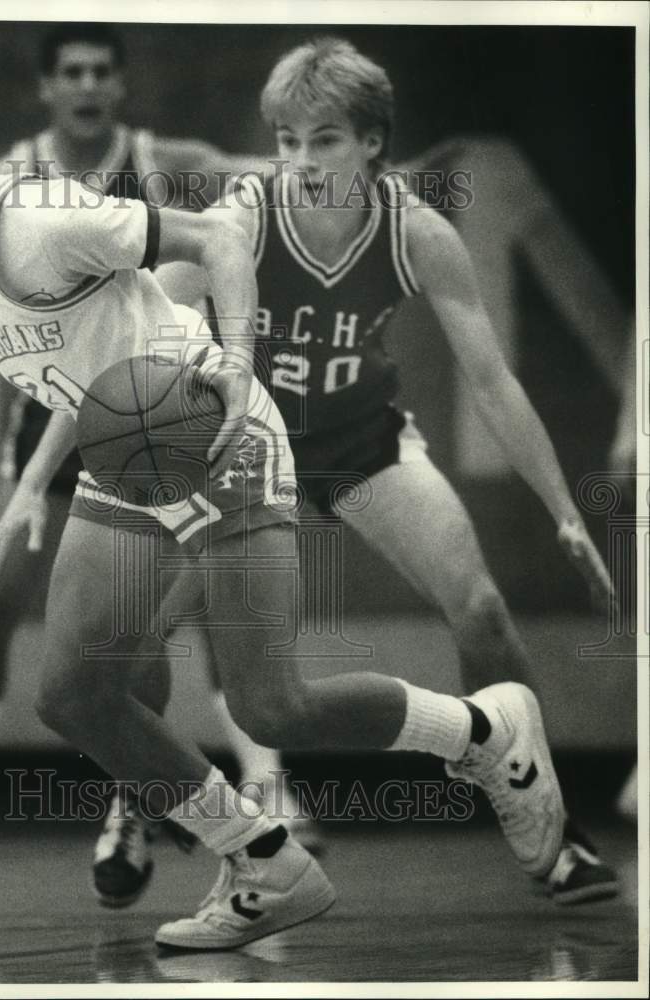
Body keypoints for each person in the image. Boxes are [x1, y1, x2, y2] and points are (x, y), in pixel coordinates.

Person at [0, 52, 574, 951]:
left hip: (211, 427)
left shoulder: (35, 221)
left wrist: (232, 358)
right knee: (74, 694)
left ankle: (484, 730)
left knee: (272, 708)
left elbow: (217, 240)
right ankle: (264, 862)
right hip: (129, 457)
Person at [0, 23, 316, 887]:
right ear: (49, 87)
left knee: (187, 645)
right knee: (24, 631)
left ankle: (251, 793)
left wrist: (338, 164)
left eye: (103, 71)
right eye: (73, 72)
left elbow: (239, 193)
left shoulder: (146, 163)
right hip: (63, 417)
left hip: (154, 402)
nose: (89, 85)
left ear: (118, 86)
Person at [147, 36, 619, 904]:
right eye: (285, 140)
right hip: (257, 458)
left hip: (365, 445)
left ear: (371, 142)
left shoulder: (417, 230)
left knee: (479, 609)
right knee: (135, 635)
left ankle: (550, 837)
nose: (299, 161)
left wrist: (560, 509)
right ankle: (148, 810)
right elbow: (160, 324)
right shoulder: (243, 218)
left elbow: (489, 380)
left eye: (322, 140)